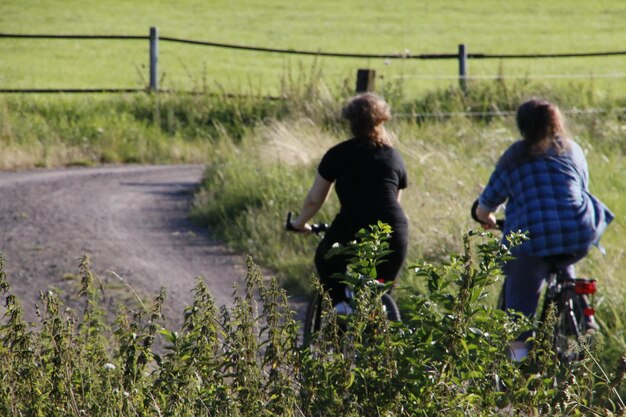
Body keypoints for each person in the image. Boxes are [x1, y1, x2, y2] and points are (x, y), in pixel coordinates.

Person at [474, 98, 614, 361]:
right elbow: (581, 188)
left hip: (533, 238)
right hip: (580, 230)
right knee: (561, 252)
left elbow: (486, 205)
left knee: (520, 303)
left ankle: (515, 367)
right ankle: (575, 302)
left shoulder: (515, 156)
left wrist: (487, 217)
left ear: (522, 126)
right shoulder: (573, 150)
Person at [290, 92, 409, 308]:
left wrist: (299, 223)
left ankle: (341, 307)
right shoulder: (394, 157)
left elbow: (314, 201)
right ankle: (380, 319)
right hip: (394, 229)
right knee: (378, 292)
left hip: (352, 224)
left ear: (350, 122)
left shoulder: (338, 154)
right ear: (382, 120)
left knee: (326, 261)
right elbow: (395, 202)